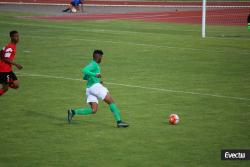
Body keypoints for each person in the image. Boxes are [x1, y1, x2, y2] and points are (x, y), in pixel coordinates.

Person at [68, 50, 129, 128]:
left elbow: (85, 77)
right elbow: (84, 70)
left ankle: (73, 112)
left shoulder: (93, 65)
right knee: (111, 101)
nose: (102, 59)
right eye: (101, 57)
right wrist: (95, 75)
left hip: (89, 89)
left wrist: (98, 80)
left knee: (94, 110)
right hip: (95, 87)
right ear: (98, 57)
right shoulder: (94, 64)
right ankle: (119, 121)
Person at [0, 30, 23, 96]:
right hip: (4, 70)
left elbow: (1, 52)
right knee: (5, 88)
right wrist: (16, 64)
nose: (17, 38)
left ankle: (6, 83)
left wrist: (2, 57)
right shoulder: (10, 47)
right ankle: (5, 83)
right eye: (15, 36)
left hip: (8, 70)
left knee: (16, 85)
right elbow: (6, 59)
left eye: (18, 36)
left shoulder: (10, 46)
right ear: (11, 37)